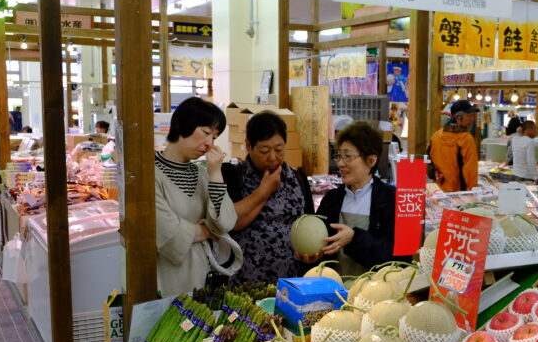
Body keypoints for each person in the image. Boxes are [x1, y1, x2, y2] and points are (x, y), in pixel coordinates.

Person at [154, 97, 236, 296]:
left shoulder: (202, 174)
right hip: (166, 274)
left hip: (202, 273)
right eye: (206, 132)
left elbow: (225, 223)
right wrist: (207, 231)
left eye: (215, 137)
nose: (209, 143)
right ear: (181, 125)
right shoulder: (151, 174)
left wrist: (216, 173)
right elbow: (167, 231)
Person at [222, 111, 313, 285]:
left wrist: (311, 251)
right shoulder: (233, 176)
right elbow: (230, 222)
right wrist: (265, 190)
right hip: (245, 283)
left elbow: (307, 223)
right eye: (264, 150)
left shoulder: (298, 178)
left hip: (292, 282)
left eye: (279, 150)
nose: (272, 157)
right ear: (249, 146)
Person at [314, 122, 403, 275]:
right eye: (339, 156)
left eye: (348, 156)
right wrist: (312, 255)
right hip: (333, 290)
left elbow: (397, 259)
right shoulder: (332, 199)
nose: (341, 163)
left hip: (373, 294)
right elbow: (321, 244)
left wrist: (354, 239)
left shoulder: (391, 200)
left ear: (371, 160)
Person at [428, 99, 479, 192]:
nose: (472, 119)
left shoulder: (436, 136)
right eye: (469, 116)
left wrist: (435, 174)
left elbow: (428, 162)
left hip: (438, 190)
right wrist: (472, 193)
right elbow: (470, 171)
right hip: (458, 194)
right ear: (458, 117)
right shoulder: (466, 139)